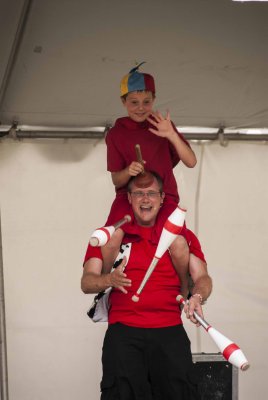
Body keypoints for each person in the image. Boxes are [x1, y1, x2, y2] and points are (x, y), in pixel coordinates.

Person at [81, 173, 212, 400]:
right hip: (124, 334)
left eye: (151, 193)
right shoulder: (108, 239)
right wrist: (109, 280)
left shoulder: (182, 238)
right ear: (129, 198)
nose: (145, 199)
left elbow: (203, 278)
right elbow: (87, 282)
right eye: (139, 193)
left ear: (162, 198)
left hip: (169, 332)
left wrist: (197, 296)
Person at [101, 62, 197, 296]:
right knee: (111, 237)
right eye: (134, 102)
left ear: (154, 100)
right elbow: (116, 180)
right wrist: (128, 172)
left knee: (180, 244)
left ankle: (184, 287)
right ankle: (104, 286)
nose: (140, 108)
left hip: (165, 198)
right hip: (128, 197)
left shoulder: (162, 125)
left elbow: (191, 161)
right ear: (123, 102)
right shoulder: (116, 134)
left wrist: (171, 134)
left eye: (146, 102)